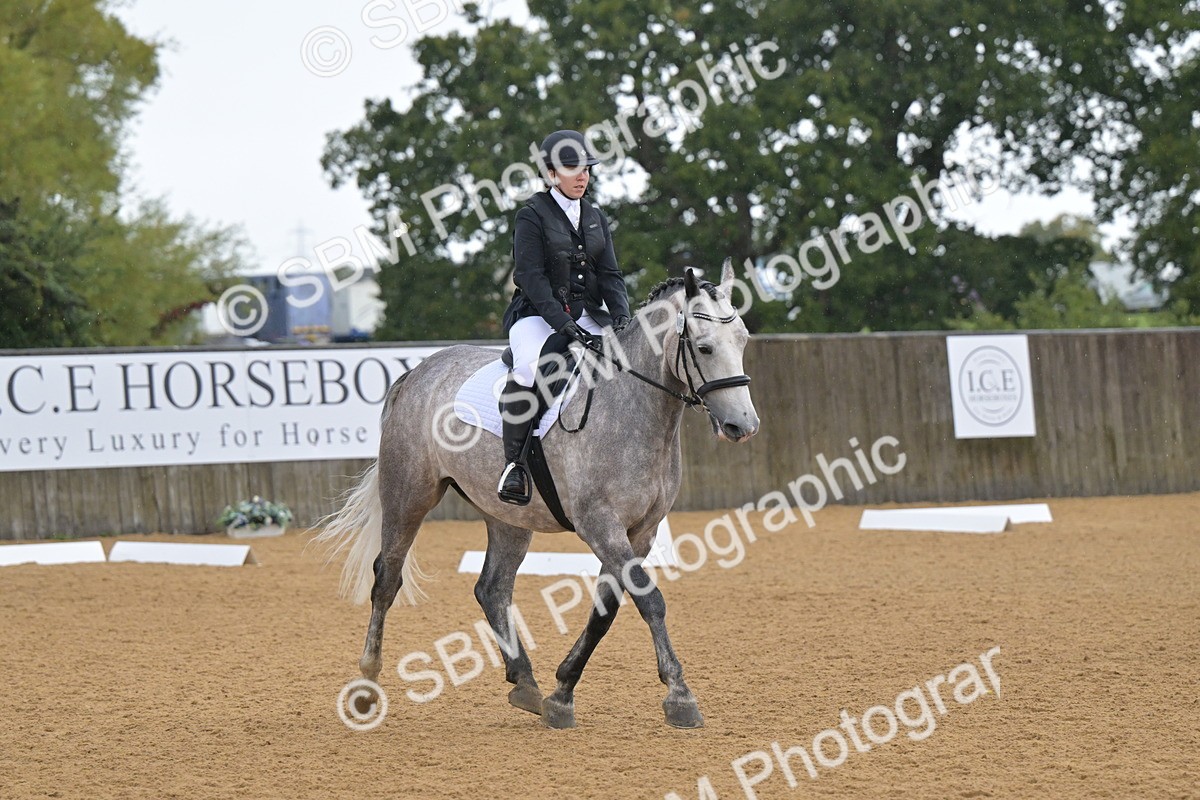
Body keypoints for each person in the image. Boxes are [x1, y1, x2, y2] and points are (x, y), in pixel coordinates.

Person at [496, 129, 631, 505]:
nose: (582, 175)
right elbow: (529, 277)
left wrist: (623, 317)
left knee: (632, 359)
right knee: (527, 369)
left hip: (588, 314)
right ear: (551, 173)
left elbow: (610, 274)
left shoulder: (595, 216)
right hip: (538, 315)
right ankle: (515, 466)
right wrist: (562, 323)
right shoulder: (532, 215)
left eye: (586, 167)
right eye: (572, 167)